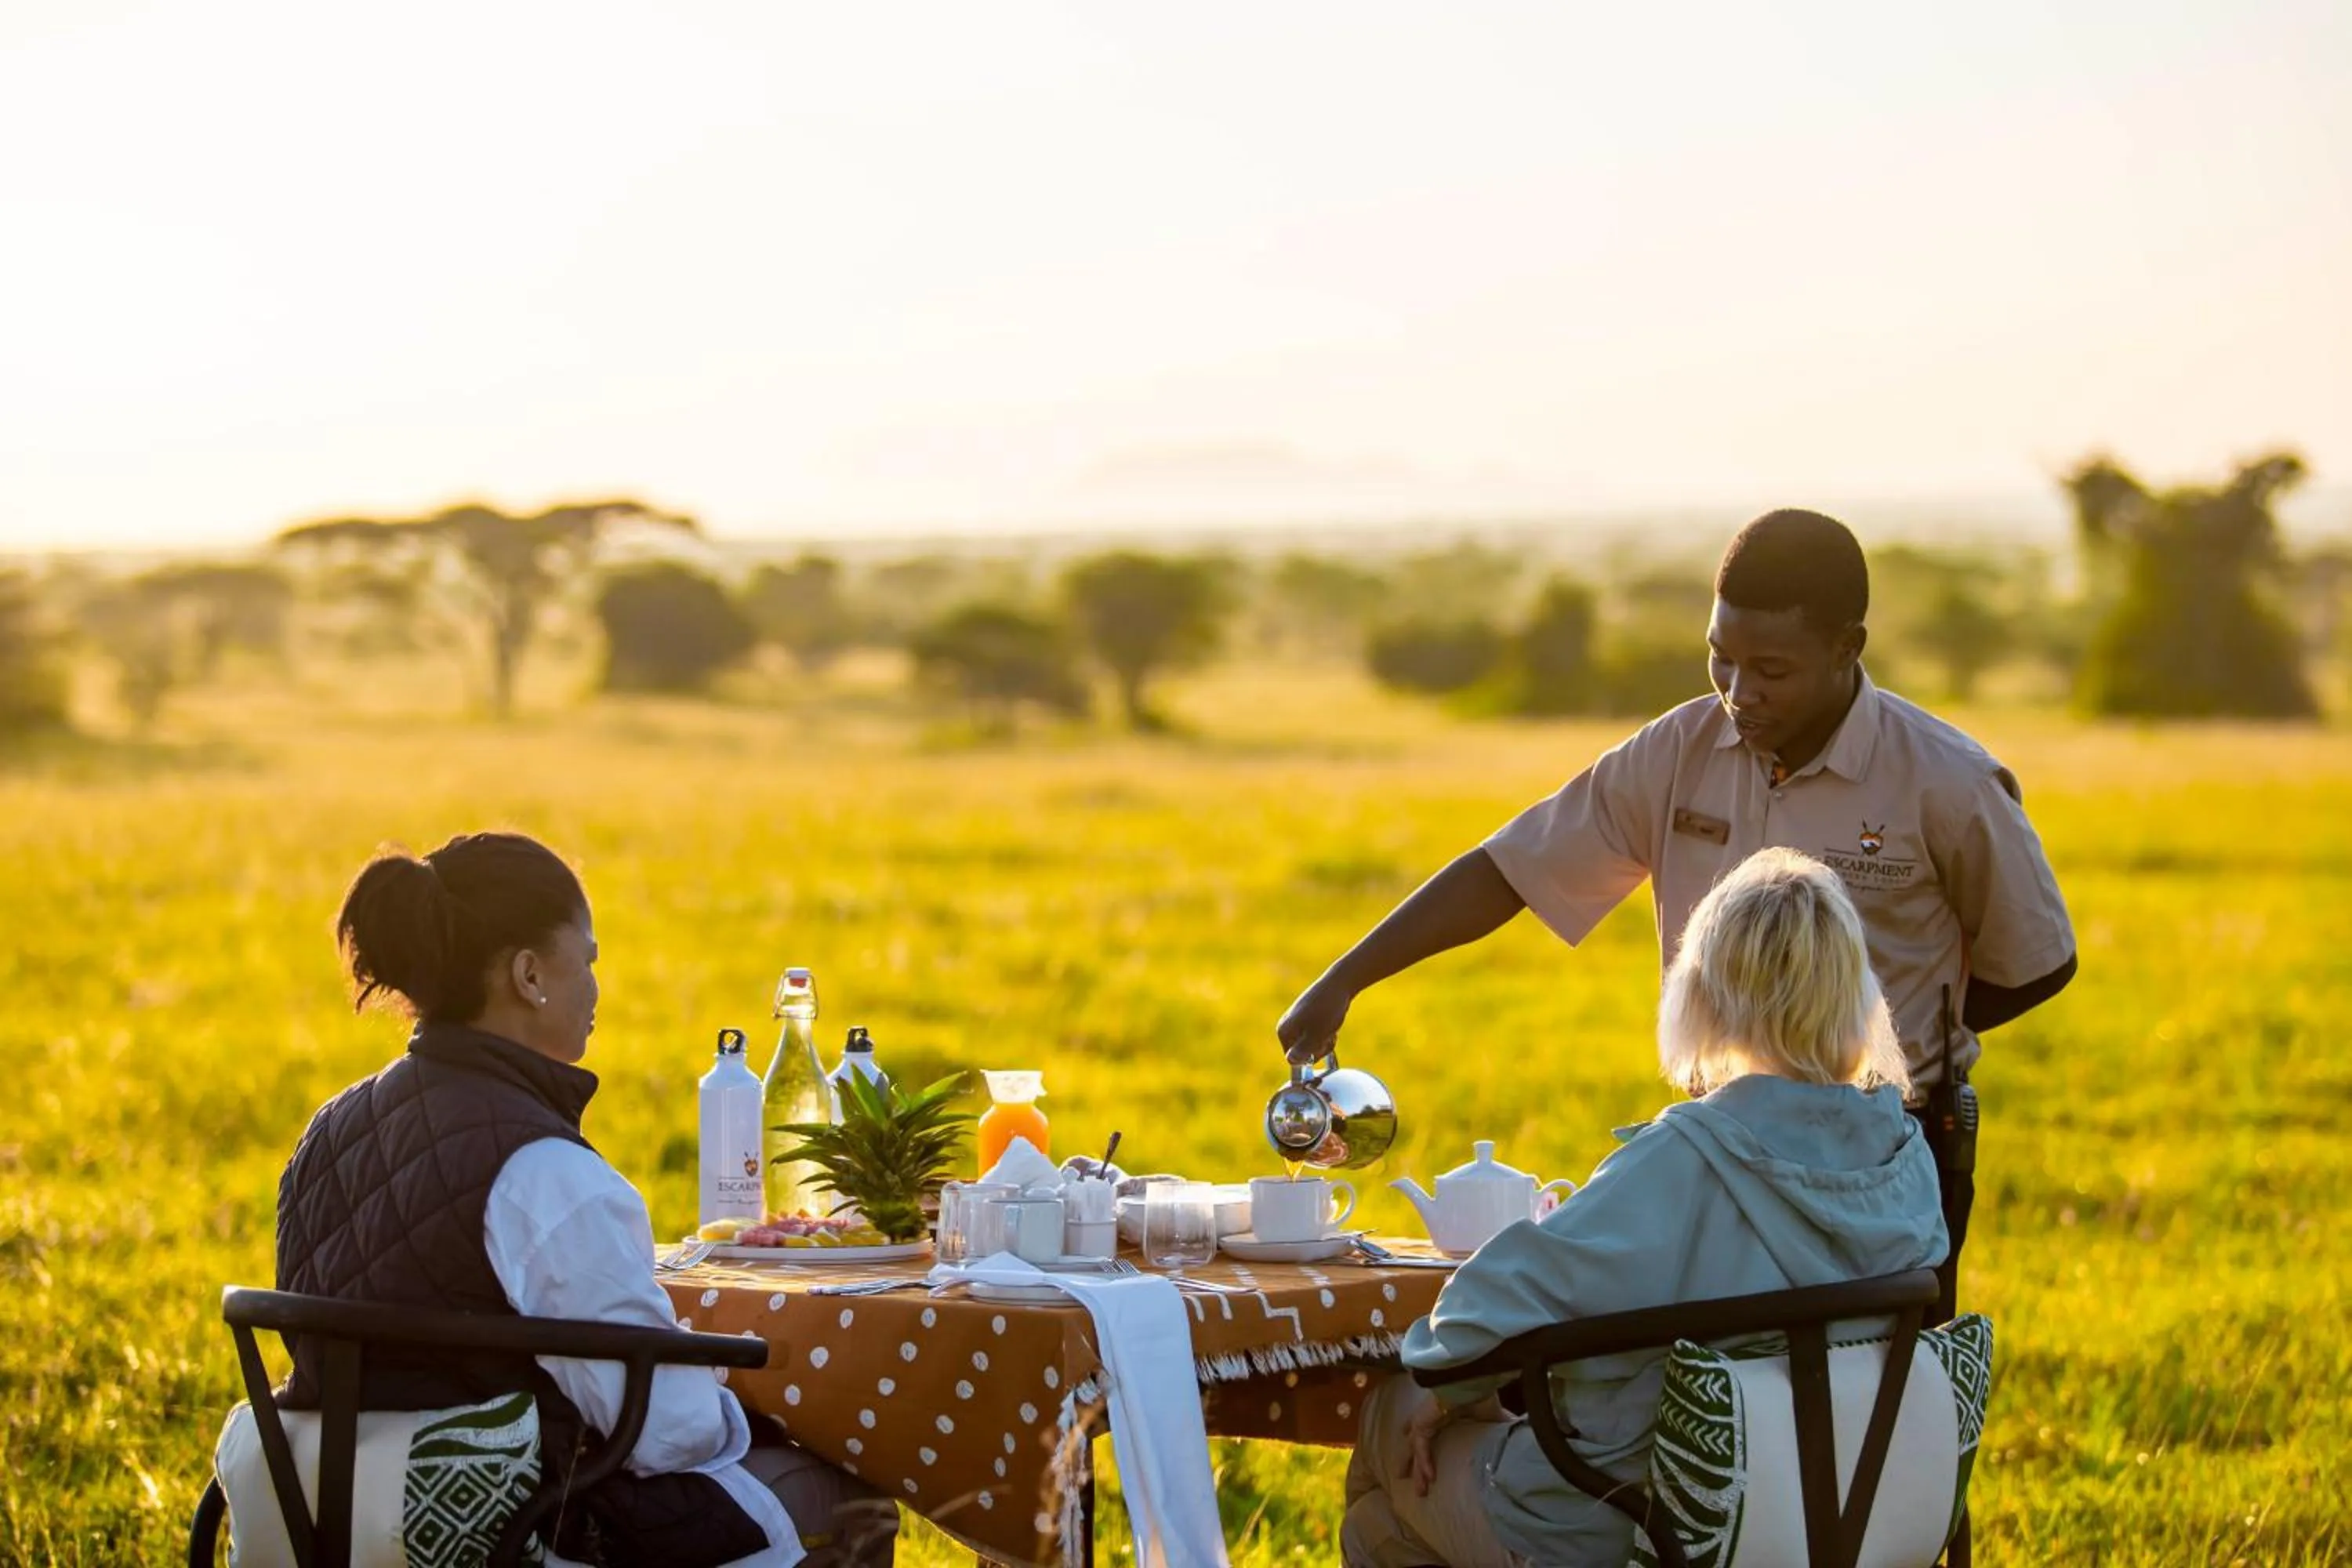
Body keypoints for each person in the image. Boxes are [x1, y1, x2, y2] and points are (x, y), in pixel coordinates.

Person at [1279, 508, 2074, 1322]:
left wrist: (1873, 1049)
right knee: (1708, 1391)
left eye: (1771, 669)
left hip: (1888, 1149)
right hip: (1714, 1142)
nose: (1738, 692)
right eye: (1720, 659)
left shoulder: (1946, 780)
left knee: (1879, 1399)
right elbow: (1512, 868)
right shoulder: (1678, 752)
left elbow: (2036, 962)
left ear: (1847, 649)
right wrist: (1345, 980)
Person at [257, 831, 894, 1567]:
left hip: (320, 1514)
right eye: (587, 961)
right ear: (529, 975)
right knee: (851, 1497)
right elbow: (665, 1431)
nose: (596, 988)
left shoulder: (326, 1133)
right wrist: (750, 1405)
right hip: (519, 1532)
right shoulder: (542, 1169)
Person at [1341, 847, 1949, 1568]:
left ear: (1709, 991)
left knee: (1387, 1441)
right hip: (1837, 1516)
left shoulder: (1688, 1155)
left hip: (1636, 1518)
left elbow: (1501, 1298)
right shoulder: (1904, 1156)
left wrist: (1445, 1392)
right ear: (1856, 993)